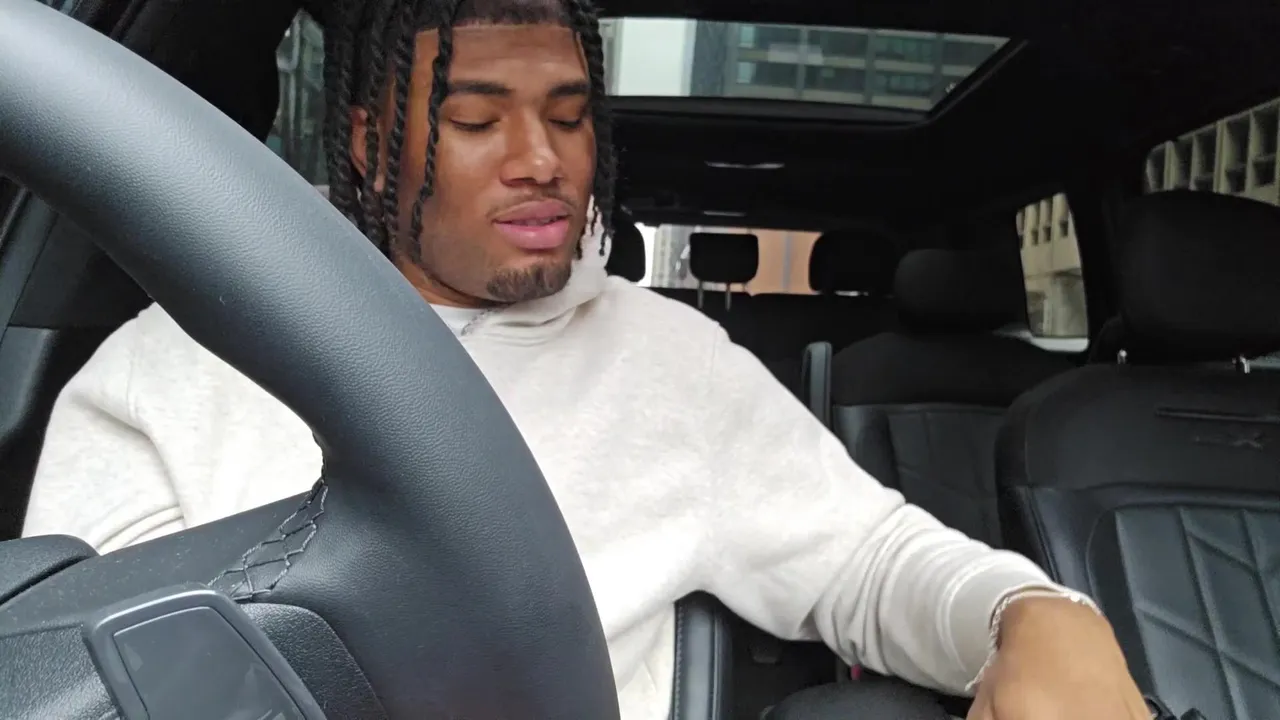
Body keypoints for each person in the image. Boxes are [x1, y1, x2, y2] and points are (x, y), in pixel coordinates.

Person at [23, 0, 1149, 718]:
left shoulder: (675, 365)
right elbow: (85, 674)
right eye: (478, 120)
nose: (541, 160)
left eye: (567, 117)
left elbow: (869, 561)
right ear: (369, 143)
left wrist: (1029, 614)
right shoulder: (171, 366)